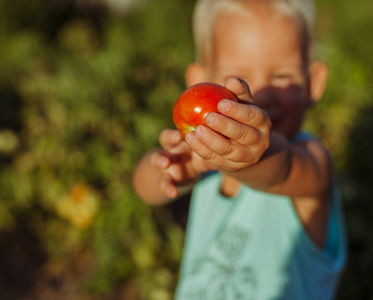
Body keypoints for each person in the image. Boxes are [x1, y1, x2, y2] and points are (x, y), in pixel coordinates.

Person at [133, 0, 347, 299]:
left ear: (313, 83)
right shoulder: (202, 161)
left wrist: (247, 159)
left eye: (281, 76)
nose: (259, 95)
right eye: (236, 77)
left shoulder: (313, 164)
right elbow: (143, 188)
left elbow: (280, 171)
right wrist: (172, 167)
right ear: (198, 81)